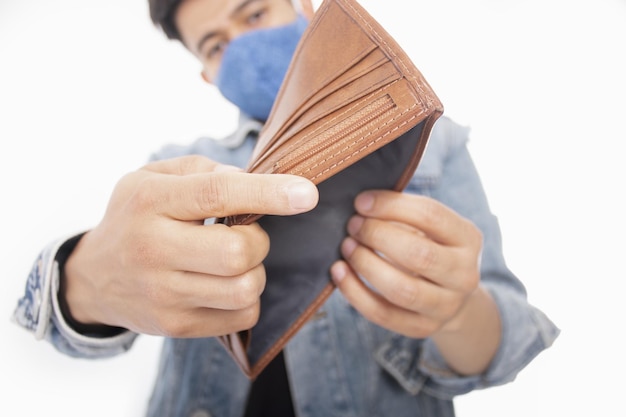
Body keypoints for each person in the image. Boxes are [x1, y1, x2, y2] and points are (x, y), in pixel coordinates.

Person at [13, 0, 559, 416]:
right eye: (216, 47)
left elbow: (509, 340)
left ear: (303, 8)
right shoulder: (178, 167)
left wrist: (457, 312)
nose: (242, 49)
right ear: (207, 75)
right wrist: (86, 281)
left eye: (253, 14)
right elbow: (65, 325)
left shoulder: (430, 143)